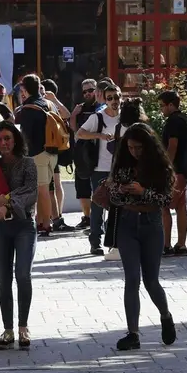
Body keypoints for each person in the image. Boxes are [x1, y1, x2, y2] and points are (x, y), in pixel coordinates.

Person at [101, 122, 177, 351]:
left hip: (152, 224)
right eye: (131, 147)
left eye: (139, 148)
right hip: (127, 224)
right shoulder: (122, 165)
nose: (134, 152)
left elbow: (166, 200)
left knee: (151, 280)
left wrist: (143, 192)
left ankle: (165, 316)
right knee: (132, 278)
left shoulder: (160, 167)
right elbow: (112, 194)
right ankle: (133, 333)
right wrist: (121, 191)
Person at [0, 121, 38, 351]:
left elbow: (31, 192)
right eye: (0, 139)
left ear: (16, 140)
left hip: (23, 226)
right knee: (3, 278)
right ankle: (8, 329)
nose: (4, 143)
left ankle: (23, 327)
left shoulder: (28, 164)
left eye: (8, 139)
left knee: (22, 274)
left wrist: (8, 203)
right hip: (1, 229)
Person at [75, 85, 123, 259]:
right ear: (104, 99)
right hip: (99, 169)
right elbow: (80, 133)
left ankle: (113, 242)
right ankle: (95, 242)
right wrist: (100, 136)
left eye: (116, 98)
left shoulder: (125, 118)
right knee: (98, 206)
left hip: (119, 169)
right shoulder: (98, 117)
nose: (114, 102)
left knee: (117, 207)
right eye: (110, 98)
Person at [13, 74, 57, 234]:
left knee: (42, 190)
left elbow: (25, 136)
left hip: (37, 153)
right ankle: (40, 221)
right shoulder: (49, 104)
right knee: (43, 189)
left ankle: (46, 223)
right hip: (53, 152)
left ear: (24, 89)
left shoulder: (27, 109)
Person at [158, 91, 187, 256]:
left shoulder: (173, 122)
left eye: (162, 106)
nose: (161, 110)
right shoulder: (183, 120)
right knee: (180, 206)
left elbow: (172, 146)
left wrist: (167, 168)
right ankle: (181, 244)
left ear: (171, 105)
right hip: (184, 170)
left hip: (175, 170)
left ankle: (166, 245)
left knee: (163, 206)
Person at [41, 79, 73, 233]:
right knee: (50, 185)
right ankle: (50, 217)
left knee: (55, 183)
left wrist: (54, 99)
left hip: (53, 149)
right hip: (48, 150)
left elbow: (67, 115)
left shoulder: (51, 105)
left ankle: (57, 215)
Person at [70, 78, 100, 231]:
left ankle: (97, 219)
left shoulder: (101, 107)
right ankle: (87, 217)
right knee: (81, 186)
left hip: (99, 153)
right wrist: (74, 115)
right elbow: (74, 129)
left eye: (90, 90)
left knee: (98, 186)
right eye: (85, 92)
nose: (88, 94)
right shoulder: (80, 108)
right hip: (82, 153)